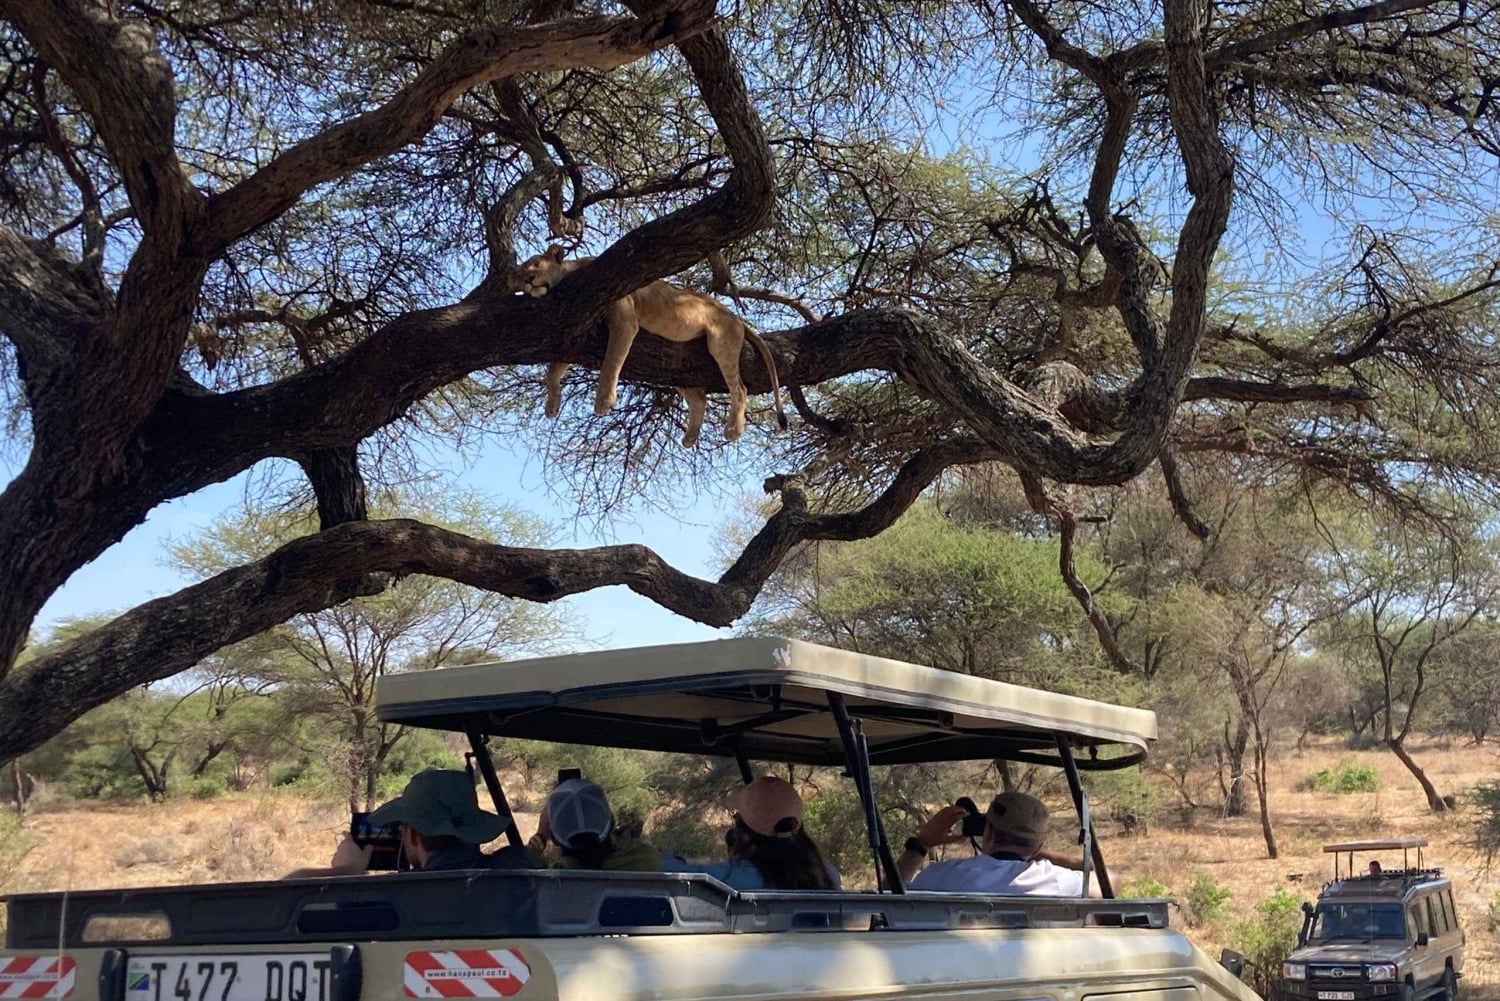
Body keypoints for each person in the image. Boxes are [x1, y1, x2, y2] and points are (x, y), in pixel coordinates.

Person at [286, 768, 535, 877]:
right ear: (475, 826)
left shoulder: (399, 895)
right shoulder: (520, 867)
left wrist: (346, 872)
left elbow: (290, 888)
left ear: (413, 835)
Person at [897, 790, 1102, 897]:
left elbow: (890, 897)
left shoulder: (942, 876)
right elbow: (1109, 881)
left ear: (988, 831)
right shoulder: (1056, 881)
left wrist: (921, 844)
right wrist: (1038, 854)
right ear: (1038, 845)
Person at [665, 776, 839, 890]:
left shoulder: (734, 878)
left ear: (745, 833)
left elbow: (670, 871)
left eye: (737, 818)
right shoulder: (827, 875)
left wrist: (642, 848)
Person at [531, 778, 660, 871]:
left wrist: (541, 836)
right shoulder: (644, 858)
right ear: (612, 822)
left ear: (554, 837)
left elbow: (516, 870)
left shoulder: (556, 879)